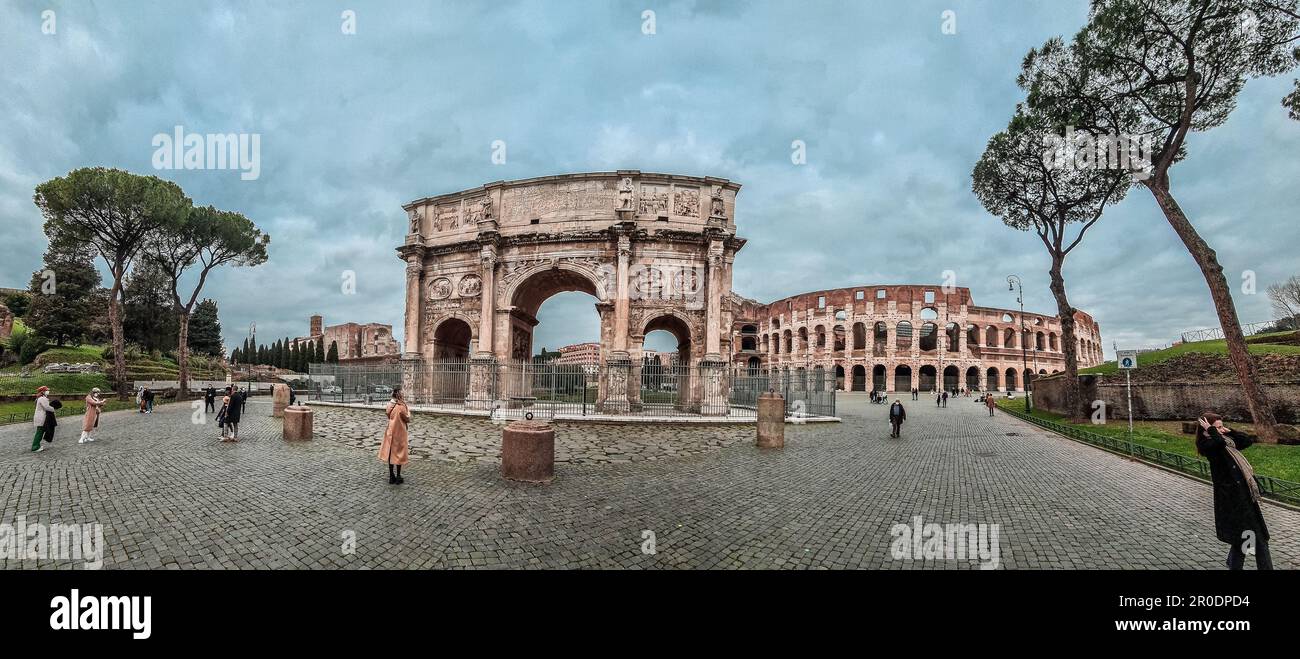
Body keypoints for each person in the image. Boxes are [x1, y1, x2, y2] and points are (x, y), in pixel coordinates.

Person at [1196, 414, 1272, 570]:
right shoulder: (1208, 445)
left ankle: (1234, 564)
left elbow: (1247, 441)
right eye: (1217, 427)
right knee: (1258, 539)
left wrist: (1230, 430)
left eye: (1221, 426)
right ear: (1206, 429)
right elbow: (1218, 443)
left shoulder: (1227, 442)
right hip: (1232, 499)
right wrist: (1212, 431)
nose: (1221, 430)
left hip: (1245, 495)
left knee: (1245, 538)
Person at [378, 388, 412, 484]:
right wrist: (408, 411)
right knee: (399, 454)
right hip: (399, 432)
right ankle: (398, 476)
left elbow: (389, 416)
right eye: (401, 393)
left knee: (390, 453)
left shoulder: (389, 405)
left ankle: (391, 476)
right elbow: (407, 418)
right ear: (399, 395)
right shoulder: (401, 406)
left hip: (390, 431)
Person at [31, 386, 57, 453]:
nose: (48, 391)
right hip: (41, 417)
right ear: (43, 391)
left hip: (40, 417)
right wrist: (53, 409)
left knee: (40, 432)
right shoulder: (42, 398)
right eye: (46, 390)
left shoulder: (40, 398)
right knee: (39, 432)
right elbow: (46, 407)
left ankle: (37, 445)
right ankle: (35, 447)